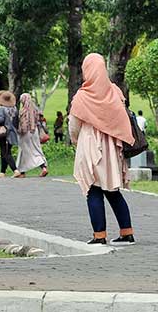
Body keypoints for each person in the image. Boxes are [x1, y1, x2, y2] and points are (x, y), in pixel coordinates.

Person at [70, 53, 136, 245]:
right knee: (112, 190)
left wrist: (76, 142)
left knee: (93, 189)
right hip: (112, 146)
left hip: (90, 145)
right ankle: (127, 231)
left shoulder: (83, 96)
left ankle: (99, 235)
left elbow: (74, 126)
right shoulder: (115, 91)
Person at [14, 93, 49, 178]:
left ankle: (22, 171)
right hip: (35, 132)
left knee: (23, 151)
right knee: (36, 149)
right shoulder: (35, 109)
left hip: (26, 133)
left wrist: (20, 131)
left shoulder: (24, 110)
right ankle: (43, 167)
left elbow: (24, 123)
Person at [0, 90, 19, 178]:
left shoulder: (1, 109)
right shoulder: (15, 108)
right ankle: (2, 172)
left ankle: (15, 170)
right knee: (6, 151)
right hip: (12, 132)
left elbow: (0, 120)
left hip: (4, 133)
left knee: (5, 153)